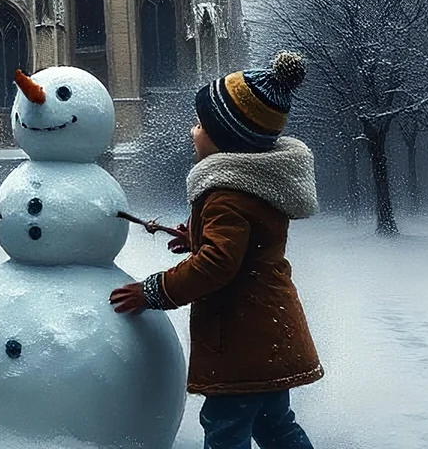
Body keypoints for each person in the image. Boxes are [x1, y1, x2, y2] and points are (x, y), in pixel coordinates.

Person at [110, 51, 322, 449]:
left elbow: (219, 264)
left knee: (225, 426)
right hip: (268, 330)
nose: (193, 131)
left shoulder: (228, 194)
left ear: (226, 138)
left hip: (242, 336)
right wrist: (197, 238)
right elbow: (252, 244)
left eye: (200, 124)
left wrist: (152, 290)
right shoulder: (255, 187)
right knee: (275, 424)